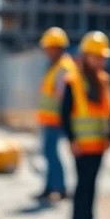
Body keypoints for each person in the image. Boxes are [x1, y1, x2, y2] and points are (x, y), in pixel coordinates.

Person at [61, 31, 110, 219]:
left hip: (98, 145)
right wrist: (72, 140)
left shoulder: (104, 81)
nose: (100, 61)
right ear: (86, 57)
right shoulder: (73, 81)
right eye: (97, 57)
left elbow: (109, 112)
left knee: (91, 187)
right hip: (82, 145)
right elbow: (64, 115)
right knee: (82, 187)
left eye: (102, 57)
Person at [34, 26, 79, 204]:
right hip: (49, 118)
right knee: (48, 153)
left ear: (57, 48)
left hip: (56, 119)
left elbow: (63, 97)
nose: (46, 51)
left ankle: (59, 187)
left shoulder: (63, 67)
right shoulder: (54, 66)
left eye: (48, 47)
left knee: (51, 154)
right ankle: (50, 187)